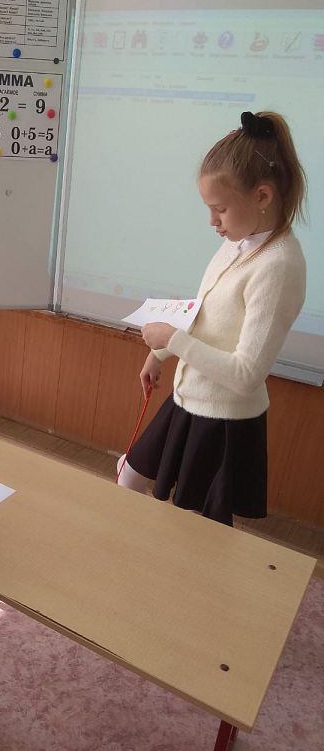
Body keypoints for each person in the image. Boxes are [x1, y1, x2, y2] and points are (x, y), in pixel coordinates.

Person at [117, 110, 307, 527]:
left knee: (195, 524)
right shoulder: (240, 241)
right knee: (129, 475)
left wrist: (173, 340)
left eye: (219, 209)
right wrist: (160, 354)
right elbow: (207, 317)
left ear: (262, 197)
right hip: (189, 397)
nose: (212, 222)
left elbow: (246, 375)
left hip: (222, 420)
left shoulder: (278, 266)